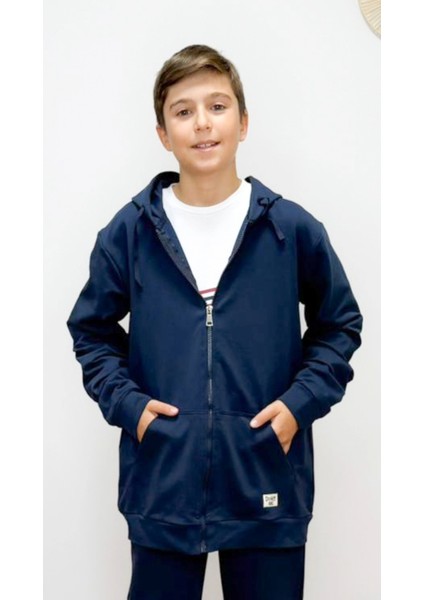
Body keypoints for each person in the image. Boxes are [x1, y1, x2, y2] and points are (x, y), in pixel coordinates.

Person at [67, 44, 363, 600]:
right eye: (183, 111)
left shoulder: (291, 229)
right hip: (164, 482)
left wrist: (296, 407)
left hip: (266, 476)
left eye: (217, 106)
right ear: (163, 133)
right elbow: (91, 332)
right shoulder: (129, 233)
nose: (202, 123)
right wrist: (132, 409)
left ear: (243, 122)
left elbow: (339, 326)